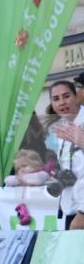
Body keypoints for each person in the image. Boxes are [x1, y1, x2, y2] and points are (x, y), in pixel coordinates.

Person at [47, 80, 83, 229]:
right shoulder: (62, 127)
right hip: (70, 207)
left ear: (76, 97)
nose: (62, 103)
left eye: (66, 96)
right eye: (56, 99)